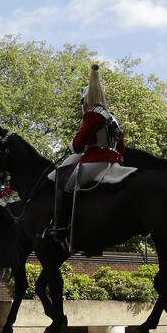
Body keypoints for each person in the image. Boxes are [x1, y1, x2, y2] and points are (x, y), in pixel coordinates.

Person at [47, 63, 126, 246]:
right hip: (115, 161)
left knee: (63, 182)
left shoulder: (92, 114)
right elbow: (121, 148)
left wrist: (72, 145)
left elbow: (78, 144)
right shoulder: (111, 116)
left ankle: (59, 228)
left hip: (97, 160)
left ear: (85, 100)